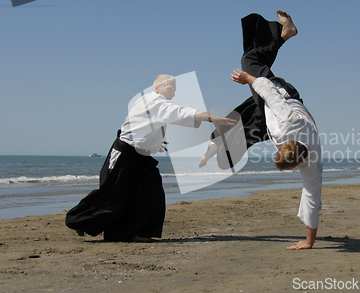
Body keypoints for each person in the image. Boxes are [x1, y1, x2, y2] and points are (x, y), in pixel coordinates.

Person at [200, 11, 323, 250]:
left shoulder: (312, 162)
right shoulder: (287, 121)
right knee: (249, 61)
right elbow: (268, 91)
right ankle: (284, 34)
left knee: (248, 124)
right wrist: (249, 78)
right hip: (282, 96)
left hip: (270, 122)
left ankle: (219, 144)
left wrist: (309, 242)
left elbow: (313, 198)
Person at [66, 74, 236, 242]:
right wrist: (211, 117)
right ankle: (79, 221)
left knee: (151, 192)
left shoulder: (153, 103)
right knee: (114, 197)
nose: (173, 93)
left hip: (141, 157)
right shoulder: (153, 100)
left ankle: (136, 233)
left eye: (175, 90)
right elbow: (177, 112)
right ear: (157, 87)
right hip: (125, 154)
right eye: (170, 89)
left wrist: (154, 143)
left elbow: (145, 125)